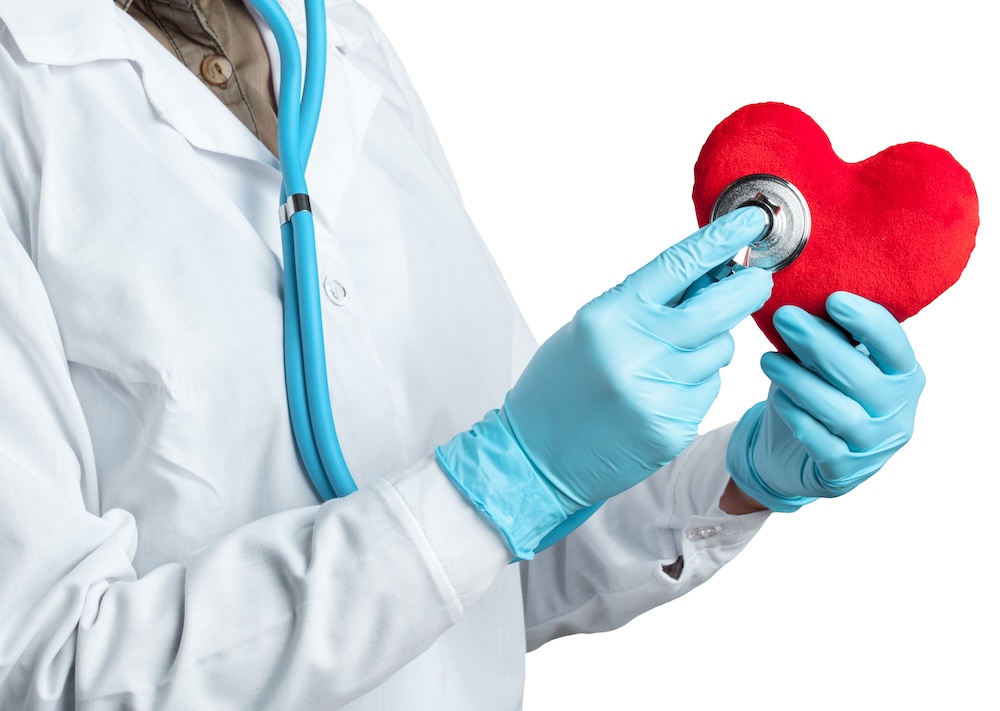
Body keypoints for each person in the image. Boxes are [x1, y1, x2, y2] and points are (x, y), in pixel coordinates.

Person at [0, 0, 925, 708]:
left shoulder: (334, 38)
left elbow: (493, 567)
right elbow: (51, 665)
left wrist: (746, 471)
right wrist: (511, 477)